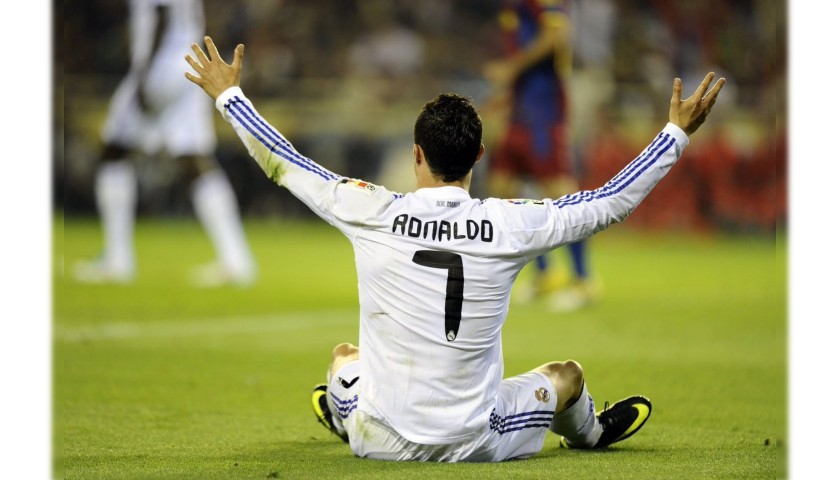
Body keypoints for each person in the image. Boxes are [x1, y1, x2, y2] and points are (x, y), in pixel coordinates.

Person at [184, 36, 724, 462]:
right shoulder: (510, 223)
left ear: (416, 153)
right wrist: (674, 133)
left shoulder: (369, 209)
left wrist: (229, 95)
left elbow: (285, 163)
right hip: (475, 441)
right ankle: (590, 433)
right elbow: (608, 202)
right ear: (480, 155)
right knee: (567, 377)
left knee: (344, 357)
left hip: (377, 438)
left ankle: (344, 412)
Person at [74, 0, 256, 287]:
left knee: (113, 150)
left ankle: (118, 259)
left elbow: (161, 12)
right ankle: (236, 259)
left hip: (160, 67)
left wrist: (145, 73)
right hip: (188, 63)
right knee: (195, 159)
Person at [482, 0, 593, 311]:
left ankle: (583, 281)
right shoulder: (512, 6)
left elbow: (557, 37)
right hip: (518, 114)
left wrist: (511, 68)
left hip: (544, 115)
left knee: (560, 195)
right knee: (503, 192)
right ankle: (544, 273)